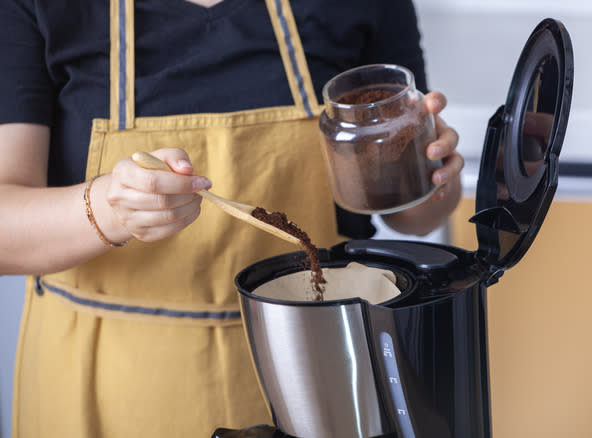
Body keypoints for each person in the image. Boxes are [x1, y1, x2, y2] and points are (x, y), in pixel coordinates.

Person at [0, 0, 463, 436]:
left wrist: (432, 171)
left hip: (322, 375)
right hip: (109, 386)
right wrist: (109, 208)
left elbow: (417, 218)